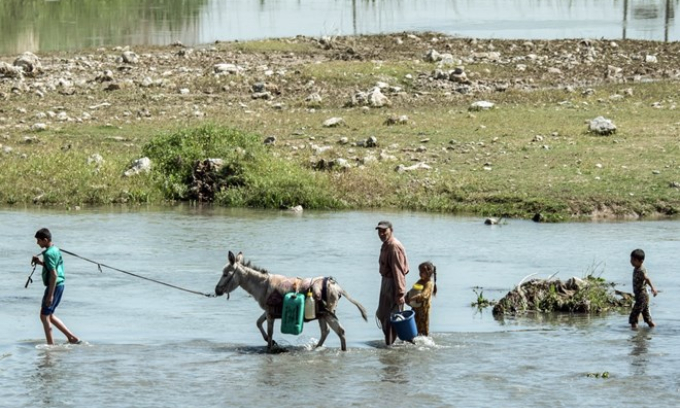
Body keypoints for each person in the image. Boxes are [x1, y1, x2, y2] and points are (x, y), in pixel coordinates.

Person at [32, 228, 80, 345]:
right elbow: (51, 266)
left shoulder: (48, 253)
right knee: (50, 315)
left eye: (38, 240)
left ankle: (50, 345)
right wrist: (39, 263)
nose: (37, 243)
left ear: (45, 240)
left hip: (54, 286)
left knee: (44, 316)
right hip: (60, 285)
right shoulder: (55, 249)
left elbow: (53, 275)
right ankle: (72, 337)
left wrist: (50, 295)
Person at [375, 220, 409, 345]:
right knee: (382, 315)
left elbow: (398, 272)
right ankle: (391, 345)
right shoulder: (386, 245)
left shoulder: (394, 246)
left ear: (391, 230)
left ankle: (390, 346)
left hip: (393, 284)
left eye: (384, 231)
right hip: (386, 283)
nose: (381, 234)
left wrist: (400, 294)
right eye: (379, 231)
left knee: (392, 318)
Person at [628, 248, 658, 330]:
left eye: (633, 260)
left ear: (640, 261)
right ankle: (652, 330)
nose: (631, 261)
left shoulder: (640, 270)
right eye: (631, 259)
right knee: (647, 319)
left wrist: (653, 288)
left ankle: (635, 336)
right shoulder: (638, 268)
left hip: (642, 297)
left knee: (633, 317)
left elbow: (647, 279)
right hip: (642, 296)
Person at [406, 261, 437, 336]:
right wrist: (407, 297)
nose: (420, 273)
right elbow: (413, 290)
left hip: (424, 310)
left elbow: (424, 295)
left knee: (423, 329)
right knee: (414, 327)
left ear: (428, 272)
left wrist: (414, 298)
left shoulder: (429, 284)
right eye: (419, 271)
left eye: (422, 272)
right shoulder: (420, 281)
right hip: (415, 308)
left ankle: (424, 340)